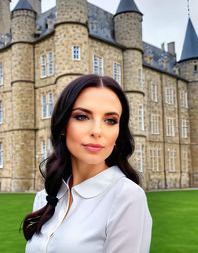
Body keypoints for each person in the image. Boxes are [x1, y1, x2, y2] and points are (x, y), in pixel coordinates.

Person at [24, 74, 152, 253]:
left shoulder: (126, 197)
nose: (97, 131)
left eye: (110, 120)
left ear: (118, 133)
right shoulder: (45, 197)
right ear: (62, 126)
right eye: (82, 116)